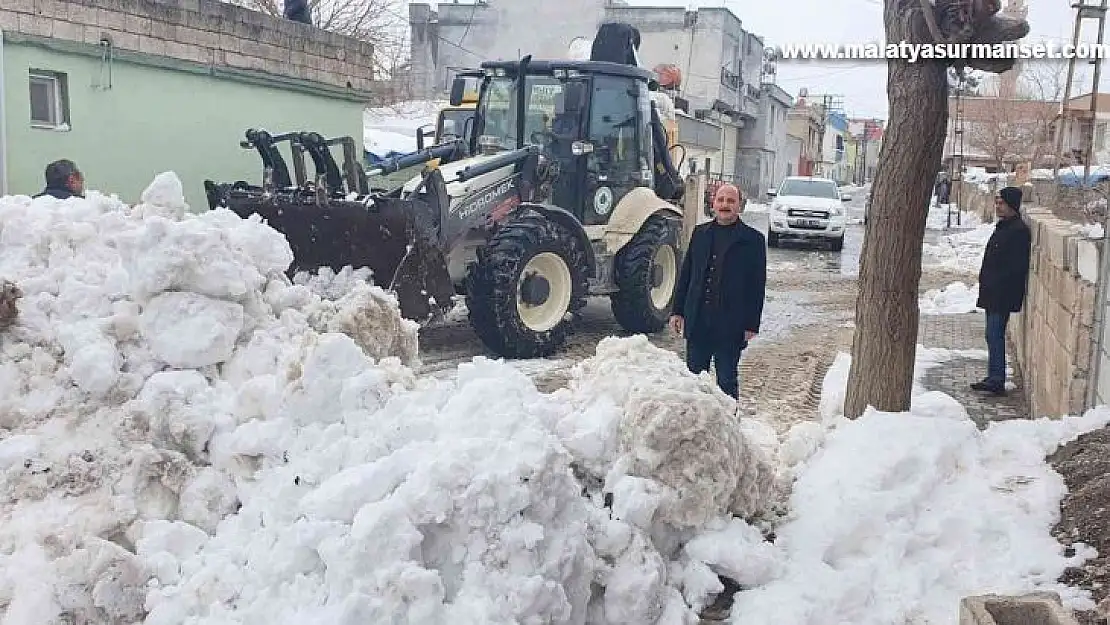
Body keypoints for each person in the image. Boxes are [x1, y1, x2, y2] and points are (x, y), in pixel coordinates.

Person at [669, 183, 767, 399]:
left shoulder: (754, 241)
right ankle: (695, 424)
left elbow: (757, 286)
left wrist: (752, 324)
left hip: (731, 324)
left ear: (739, 206)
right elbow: (686, 274)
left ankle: (728, 424)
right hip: (698, 321)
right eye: (721, 200)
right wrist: (677, 311)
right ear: (713, 204)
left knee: (726, 380)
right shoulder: (700, 233)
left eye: (731, 201)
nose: (725, 205)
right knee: (694, 380)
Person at [971, 185, 1031, 396]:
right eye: (997, 203)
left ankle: (997, 379)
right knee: (991, 335)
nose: (998, 206)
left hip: (1001, 293)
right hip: (993, 291)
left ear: (1012, 206)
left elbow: (1015, 267)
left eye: (1002, 203)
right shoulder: (1004, 227)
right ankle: (993, 376)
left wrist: (996, 285)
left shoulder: (1018, 231)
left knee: (995, 334)